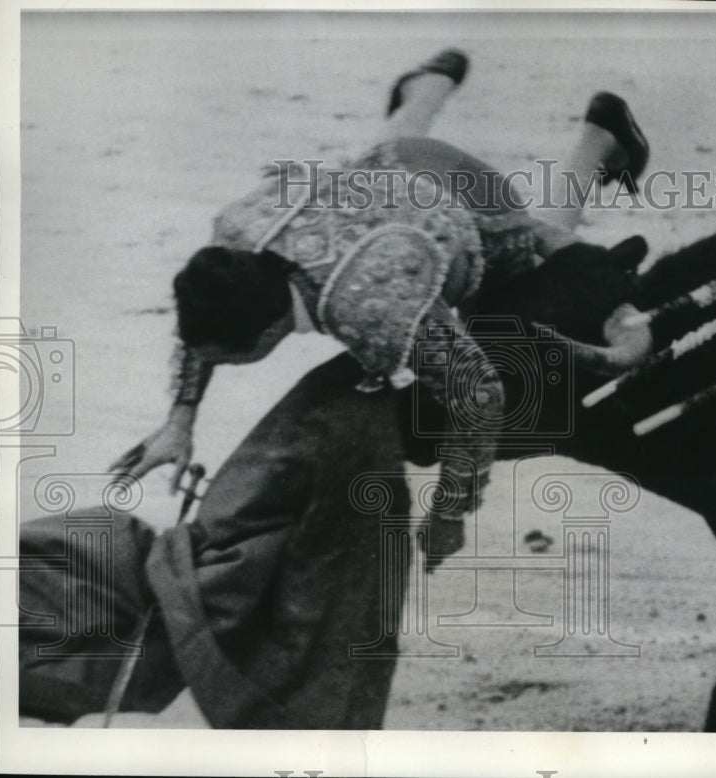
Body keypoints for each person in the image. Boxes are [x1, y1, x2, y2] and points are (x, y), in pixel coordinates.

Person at [109, 48, 651, 567]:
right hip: (399, 166)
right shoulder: (237, 240)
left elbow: (479, 392)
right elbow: (200, 318)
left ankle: (598, 141)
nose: (211, 361)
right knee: (379, 157)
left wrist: (451, 510)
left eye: (226, 357)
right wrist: (179, 420)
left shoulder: (375, 310)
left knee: (541, 257)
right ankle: (427, 85)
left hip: (476, 204)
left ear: (270, 331)